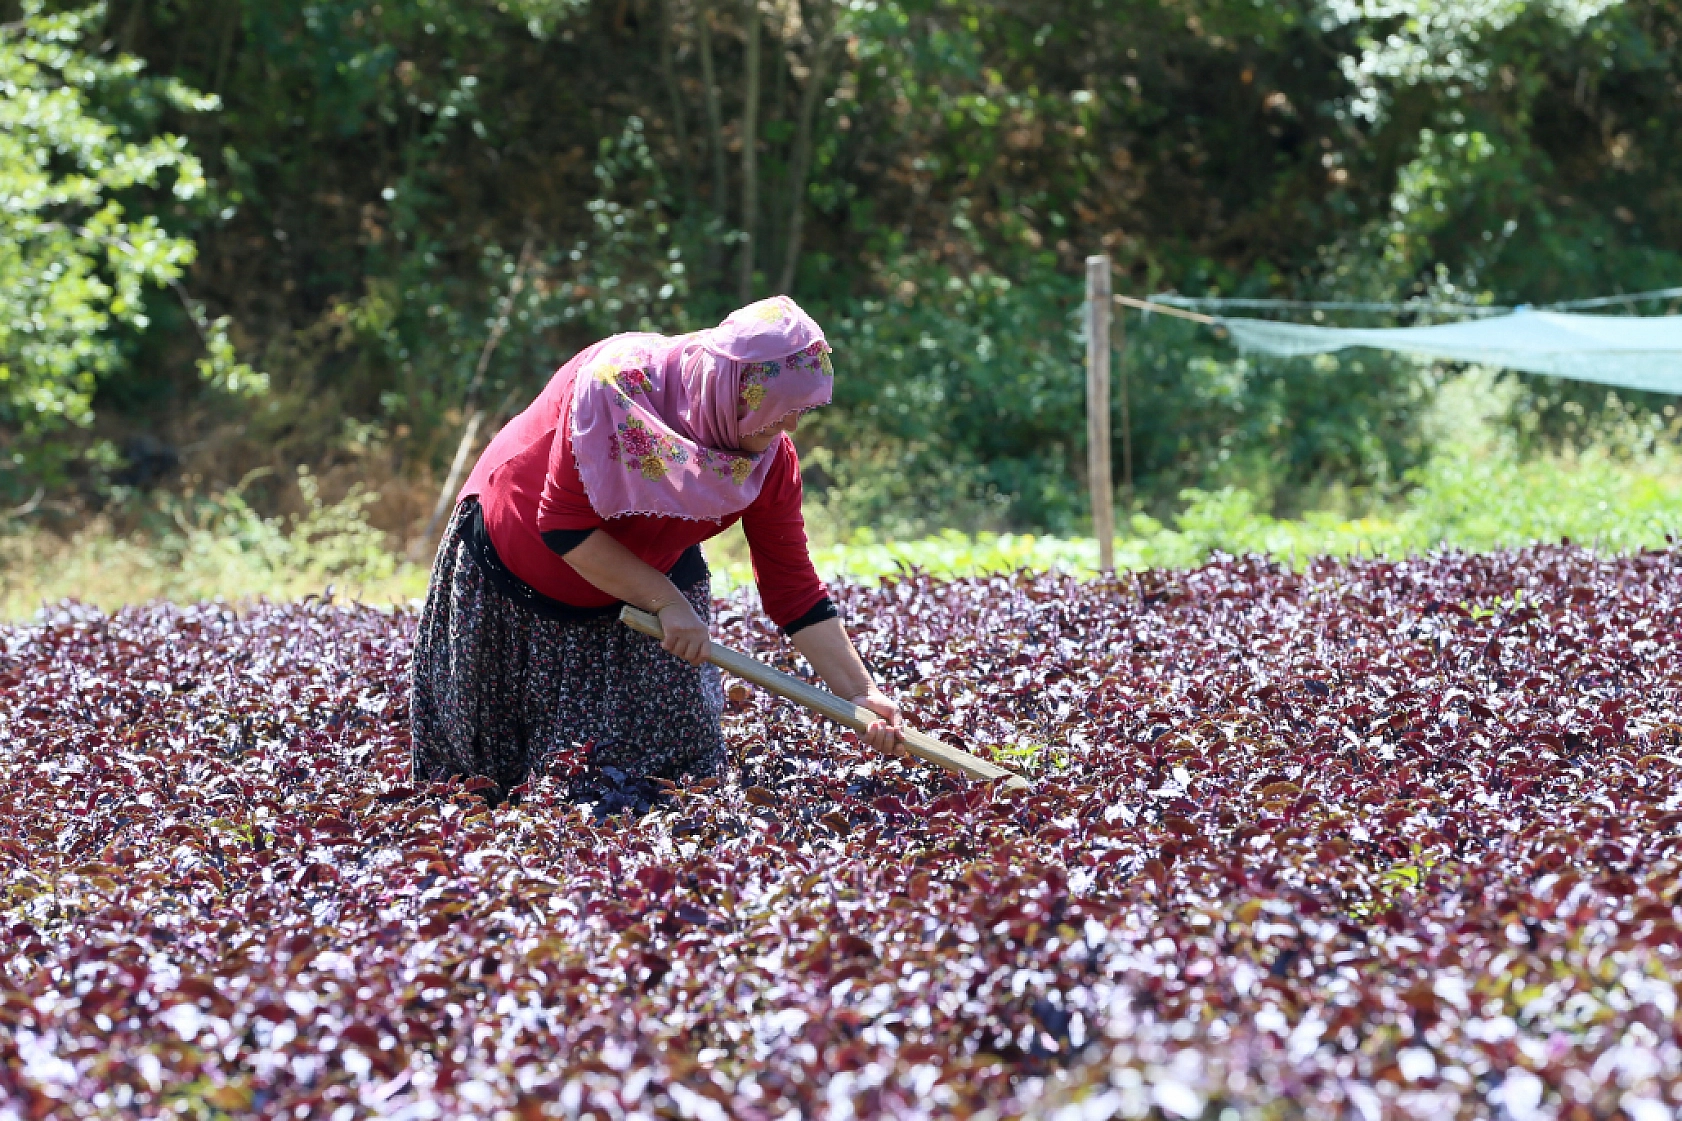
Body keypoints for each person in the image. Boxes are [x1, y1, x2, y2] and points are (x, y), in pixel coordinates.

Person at [409, 295, 903, 805]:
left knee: (663, 780)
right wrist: (667, 601)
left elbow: (793, 589)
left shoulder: (768, 461)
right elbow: (562, 527)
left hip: (653, 579)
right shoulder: (613, 390)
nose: (793, 427)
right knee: (496, 786)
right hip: (519, 576)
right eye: (783, 411)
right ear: (734, 391)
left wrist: (858, 693)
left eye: (801, 411)